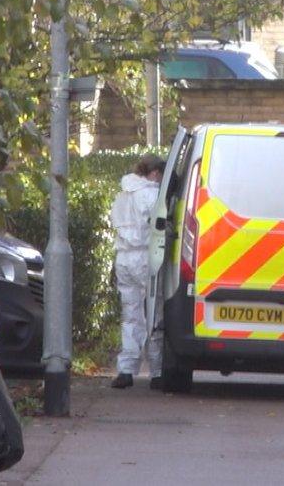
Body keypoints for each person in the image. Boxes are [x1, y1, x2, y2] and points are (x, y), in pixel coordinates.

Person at [110, 154, 166, 389]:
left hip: (123, 257)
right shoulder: (153, 194)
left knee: (130, 314)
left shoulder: (123, 194)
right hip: (146, 256)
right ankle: (157, 371)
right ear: (154, 173)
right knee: (154, 313)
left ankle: (126, 370)